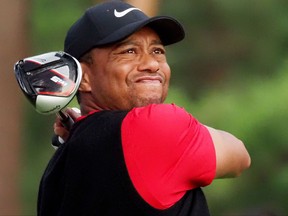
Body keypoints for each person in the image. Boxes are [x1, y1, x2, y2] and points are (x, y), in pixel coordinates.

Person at [37, 1, 251, 215]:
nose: (152, 64)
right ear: (83, 78)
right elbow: (240, 156)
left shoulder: (57, 169)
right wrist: (185, 131)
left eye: (157, 51)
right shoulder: (151, 127)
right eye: (129, 51)